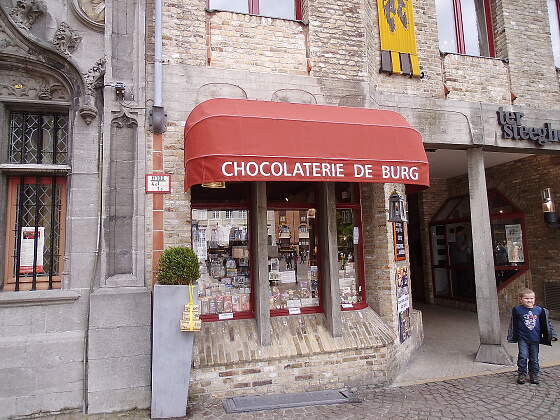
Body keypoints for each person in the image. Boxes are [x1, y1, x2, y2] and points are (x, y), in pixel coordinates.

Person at [507, 288, 558, 385]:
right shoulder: (517, 310)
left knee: (534, 358)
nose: (529, 300)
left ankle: (533, 374)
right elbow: (513, 324)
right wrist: (512, 335)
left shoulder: (539, 310)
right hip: (523, 338)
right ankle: (522, 373)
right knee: (523, 356)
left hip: (535, 339)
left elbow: (547, 323)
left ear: (534, 299)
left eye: (531, 298)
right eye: (526, 298)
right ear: (521, 299)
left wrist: (552, 334)